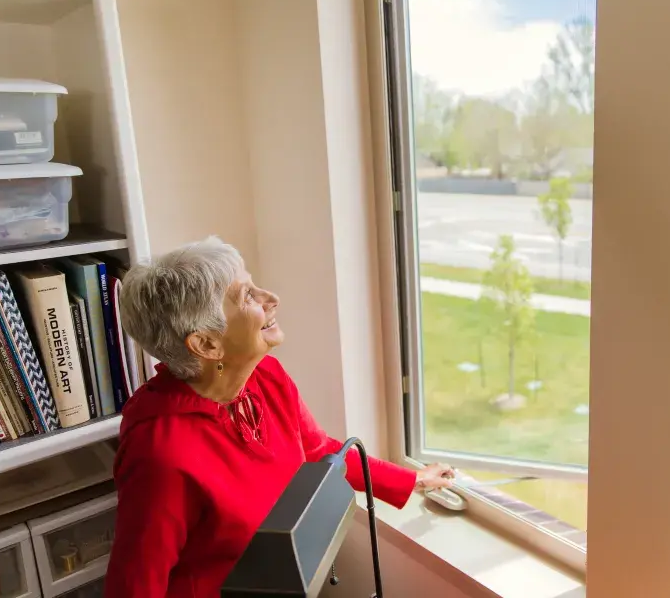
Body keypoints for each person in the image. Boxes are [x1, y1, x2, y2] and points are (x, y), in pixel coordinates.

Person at [105, 237, 453, 597]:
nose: (271, 298)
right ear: (207, 344)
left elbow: (319, 450)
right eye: (247, 296)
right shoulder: (160, 452)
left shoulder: (267, 377)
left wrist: (410, 481)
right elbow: (134, 586)